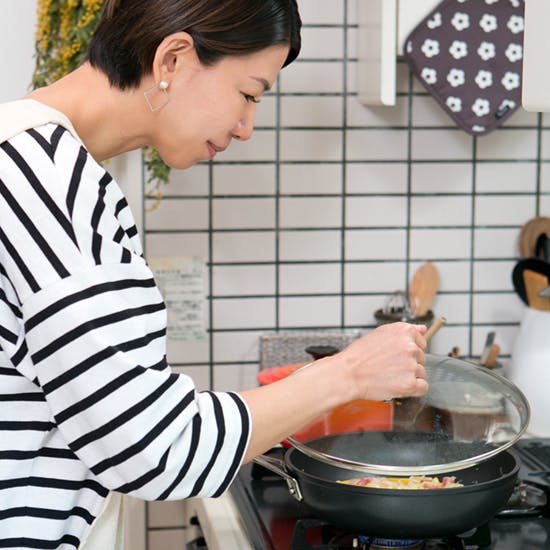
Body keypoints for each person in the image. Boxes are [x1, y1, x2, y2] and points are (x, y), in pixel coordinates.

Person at [0, 0, 428, 547]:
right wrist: (347, 375)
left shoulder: (33, 161)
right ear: (173, 59)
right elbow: (153, 448)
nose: (247, 127)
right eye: (248, 94)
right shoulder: (50, 183)